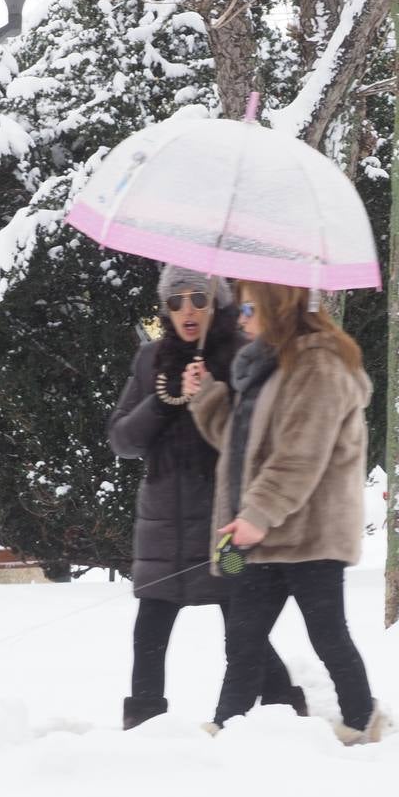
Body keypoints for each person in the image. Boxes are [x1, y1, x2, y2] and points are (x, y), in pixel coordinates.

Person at [184, 280, 385, 744]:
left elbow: (300, 456)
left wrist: (258, 513)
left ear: (279, 306)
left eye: (250, 306)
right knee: (243, 639)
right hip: (263, 531)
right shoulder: (269, 368)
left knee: (327, 635)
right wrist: (206, 395)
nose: (241, 317)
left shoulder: (319, 365)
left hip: (308, 533)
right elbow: (241, 449)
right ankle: (227, 724)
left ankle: (361, 720)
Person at [107, 264, 306, 731]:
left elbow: (258, 440)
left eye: (198, 297)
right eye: (175, 301)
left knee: (241, 624)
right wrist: (165, 398)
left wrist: (211, 394)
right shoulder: (149, 361)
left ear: (216, 300)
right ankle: (144, 721)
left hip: (226, 523)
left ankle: (280, 703)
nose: (187, 309)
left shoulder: (244, 355)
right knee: (150, 630)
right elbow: (122, 440)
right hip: (162, 528)